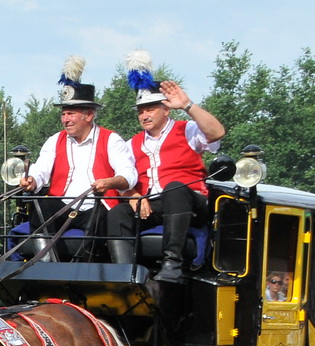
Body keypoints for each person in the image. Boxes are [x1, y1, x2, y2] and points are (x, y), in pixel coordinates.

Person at [19, 55, 138, 263]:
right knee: (40, 206)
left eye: (71, 114)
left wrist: (109, 182)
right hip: (63, 205)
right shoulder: (55, 140)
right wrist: (32, 180)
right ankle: (47, 267)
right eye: (64, 114)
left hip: (96, 206)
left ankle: (84, 269)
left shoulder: (111, 140)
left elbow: (129, 175)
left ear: (89, 115)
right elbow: (41, 169)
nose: (65, 119)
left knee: (101, 215)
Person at [120, 53, 226, 283]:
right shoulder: (131, 144)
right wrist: (133, 195)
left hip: (190, 201)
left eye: (150, 109)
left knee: (175, 188)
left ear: (166, 109)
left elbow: (217, 133)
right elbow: (123, 178)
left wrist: (187, 105)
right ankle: (124, 274)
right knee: (118, 212)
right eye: (140, 110)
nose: (144, 115)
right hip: (154, 204)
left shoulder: (186, 129)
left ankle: (172, 264)